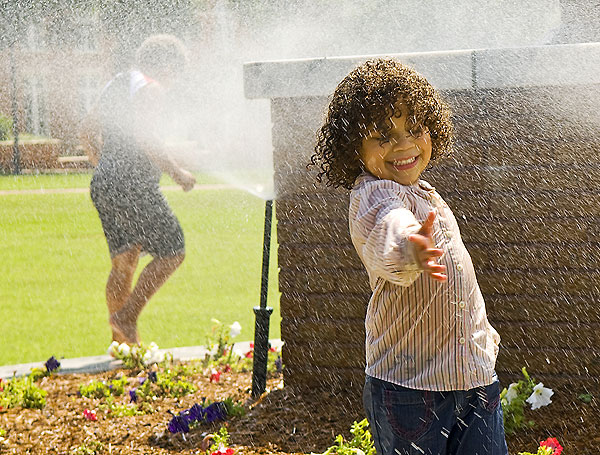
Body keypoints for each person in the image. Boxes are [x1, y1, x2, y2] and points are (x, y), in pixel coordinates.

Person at [310, 58, 507, 455]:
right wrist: (408, 245)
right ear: (353, 149)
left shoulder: (427, 194)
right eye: (383, 135)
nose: (403, 144)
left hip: (473, 379)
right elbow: (389, 229)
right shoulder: (373, 195)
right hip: (409, 391)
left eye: (414, 128)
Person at [80, 34, 196, 345]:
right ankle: (126, 317)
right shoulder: (150, 87)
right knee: (173, 250)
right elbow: (146, 138)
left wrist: (105, 167)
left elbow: (86, 130)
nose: (173, 82)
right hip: (133, 185)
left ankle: (122, 345)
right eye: (175, 72)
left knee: (124, 261)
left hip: (105, 183)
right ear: (166, 65)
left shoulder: (117, 83)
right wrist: (178, 173)